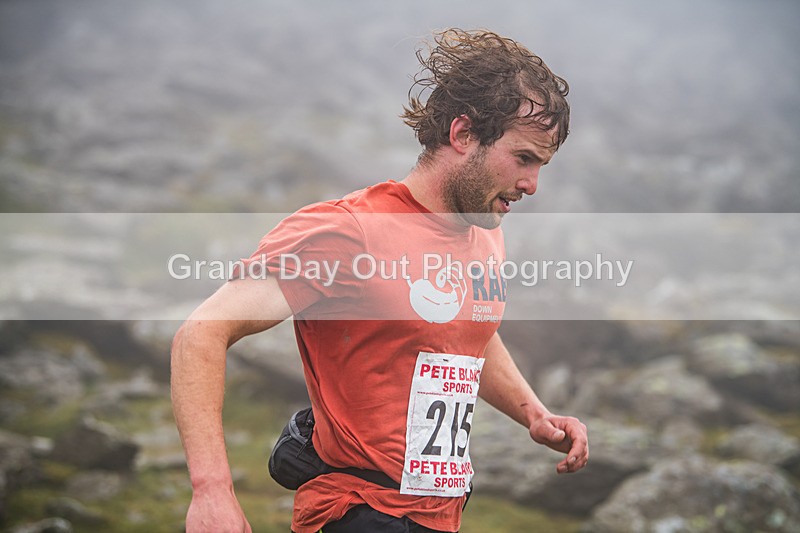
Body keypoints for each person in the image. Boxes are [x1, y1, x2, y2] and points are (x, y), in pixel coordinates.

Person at [171, 28, 589, 533]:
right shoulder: (350, 232)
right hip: (356, 512)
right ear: (462, 135)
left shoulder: (484, 231)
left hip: (440, 517)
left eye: (540, 166)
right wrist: (211, 492)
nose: (532, 185)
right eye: (523, 158)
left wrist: (533, 414)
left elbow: (464, 329)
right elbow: (202, 332)